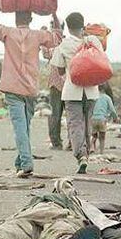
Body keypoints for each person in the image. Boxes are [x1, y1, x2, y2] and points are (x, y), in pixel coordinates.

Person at [0, 0, 62, 177]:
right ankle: (20, 162)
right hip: (30, 88)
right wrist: (53, 14)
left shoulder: (8, 33)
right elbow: (58, 37)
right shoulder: (38, 35)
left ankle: (26, 162)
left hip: (12, 88)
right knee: (24, 126)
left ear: (16, 16)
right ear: (31, 17)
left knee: (20, 127)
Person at [50, 12, 103, 174]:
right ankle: (86, 152)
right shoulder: (93, 41)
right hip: (92, 91)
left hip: (72, 91)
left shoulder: (63, 45)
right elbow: (101, 58)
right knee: (87, 123)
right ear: (83, 24)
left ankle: (81, 155)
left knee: (75, 124)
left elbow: (59, 70)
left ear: (68, 26)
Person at [41, 22, 69, 151]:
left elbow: (46, 54)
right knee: (71, 114)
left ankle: (56, 142)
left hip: (56, 84)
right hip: (69, 83)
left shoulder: (52, 45)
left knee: (55, 114)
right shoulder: (68, 43)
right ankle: (72, 142)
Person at [91, 84, 119, 154]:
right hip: (102, 119)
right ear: (104, 89)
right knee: (102, 137)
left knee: (94, 135)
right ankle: (101, 151)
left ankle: (92, 147)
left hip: (93, 119)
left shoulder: (93, 97)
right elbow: (112, 109)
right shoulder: (107, 98)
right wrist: (115, 117)